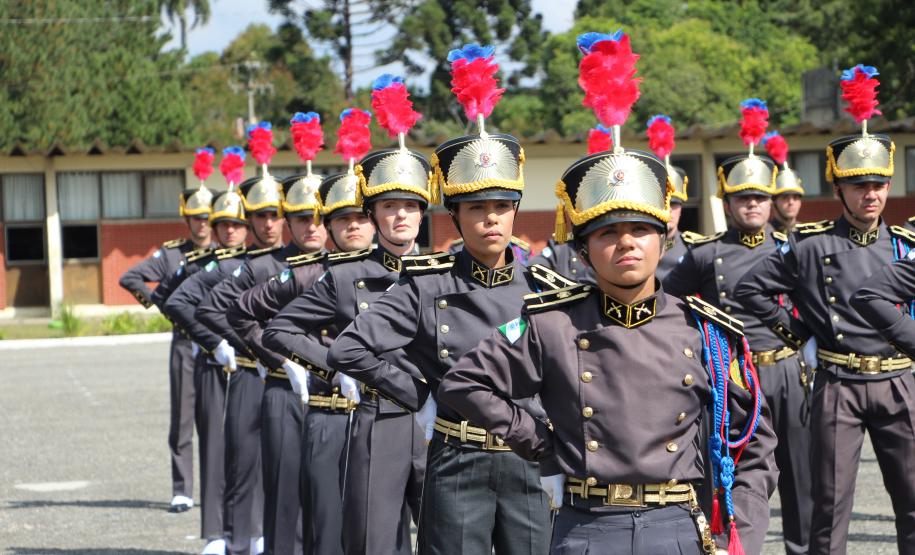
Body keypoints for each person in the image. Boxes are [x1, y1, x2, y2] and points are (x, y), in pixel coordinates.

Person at [437, 31, 776, 553]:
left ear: (663, 238)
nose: (626, 245)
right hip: (587, 527)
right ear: (583, 249)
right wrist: (542, 445)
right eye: (607, 234)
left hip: (679, 529)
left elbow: (752, 441)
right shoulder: (552, 324)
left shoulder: (704, 329)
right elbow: (464, 384)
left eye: (640, 231)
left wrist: (742, 531)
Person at [327, 56, 579, 555]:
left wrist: (562, 459)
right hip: (456, 456)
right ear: (456, 216)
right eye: (476, 208)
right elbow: (348, 350)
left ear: (514, 212)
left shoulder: (547, 286)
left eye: (501, 207)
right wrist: (420, 394)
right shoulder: (426, 285)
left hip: (527, 459)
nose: (491, 219)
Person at [734, 64, 915, 555]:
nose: (871, 194)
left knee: (914, 502)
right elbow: (751, 290)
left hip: (899, 379)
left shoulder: (904, 245)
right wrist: (799, 334)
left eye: (879, 184)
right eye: (859, 185)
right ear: (839, 189)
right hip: (839, 383)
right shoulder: (811, 247)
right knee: (829, 509)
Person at [262, 104, 427, 555]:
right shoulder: (344, 277)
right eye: (388, 207)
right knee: (371, 541)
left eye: (410, 206)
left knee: (444, 539)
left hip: (440, 424)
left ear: (423, 213)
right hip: (376, 418)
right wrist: (336, 368)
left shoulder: (445, 273)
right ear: (375, 216)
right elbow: (279, 331)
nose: (400, 217)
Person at [664, 99, 812, 555]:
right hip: (732, 379)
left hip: (786, 372)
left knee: (801, 478)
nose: (752, 205)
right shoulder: (706, 254)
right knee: (733, 477)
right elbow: (671, 303)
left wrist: (802, 341)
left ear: (771, 204)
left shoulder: (794, 248)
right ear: (727, 202)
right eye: (743, 197)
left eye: (760, 198)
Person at [228, 167, 375, 555]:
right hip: (320, 404)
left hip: (380, 414)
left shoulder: (397, 276)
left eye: (362, 217)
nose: (354, 227)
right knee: (311, 518)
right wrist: (288, 361)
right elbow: (242, 312)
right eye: (343, 219)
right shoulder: (310, 274)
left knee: (380, 527)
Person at [118, 148, 215, 513]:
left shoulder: (226, 252)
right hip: (184, 344)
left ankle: (215, 488)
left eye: (207, 217)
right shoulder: (173, 254)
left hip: (217, 344)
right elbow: (130, 277)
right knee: (183, 418)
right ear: (187, 219)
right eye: (195, 218)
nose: (202, 224)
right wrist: (162, 305)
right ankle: (182, 489)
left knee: (217, 419)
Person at [162, 163, 250, 555]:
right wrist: (213, 342)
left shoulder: (263, 264)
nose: (230, 231)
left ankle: (251, 529)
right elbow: (176, 303)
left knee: (252, 453)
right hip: (215, 368)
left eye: (237, 224)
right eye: (223, 225)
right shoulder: (206, 266)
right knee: (214, 449)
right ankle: (215, 533)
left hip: (257, 371)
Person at [645, 115, 699, 281]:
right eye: (662, 203)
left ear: (681, 209)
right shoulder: (637, 246)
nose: (668, 209)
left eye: (674, 204)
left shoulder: (695, 247)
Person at [762, 131, 805, 233]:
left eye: (795, 198)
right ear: (774, 201)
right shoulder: (765, 234)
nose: (791, 202)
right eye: (785, 197)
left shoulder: (806, 233)